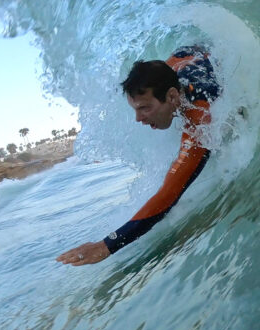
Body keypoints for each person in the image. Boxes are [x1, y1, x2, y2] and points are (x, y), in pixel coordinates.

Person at [57, 45, 221, 266]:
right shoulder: (163, 83)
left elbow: (169, 194)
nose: (138, 119)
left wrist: (106, 245)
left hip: (209, 60)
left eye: (144, 108)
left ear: (172, 97)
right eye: (135, 109)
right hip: (184, 56)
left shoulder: (199, 116)